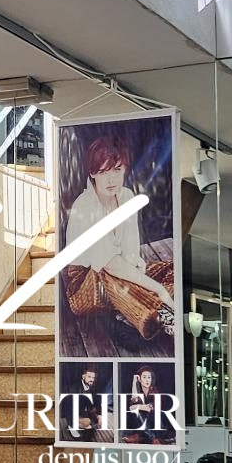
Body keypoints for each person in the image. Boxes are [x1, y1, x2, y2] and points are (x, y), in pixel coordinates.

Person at [62, 132, 174, 354]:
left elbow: (130, 251)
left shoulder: (127, 197)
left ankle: (134, 316)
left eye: (116, 170)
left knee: (171, 268)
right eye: (103, 172)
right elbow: (110, 264)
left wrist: (137, 268)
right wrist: (159, 289)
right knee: (109, 273)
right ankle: (153, 312)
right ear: (92, 173)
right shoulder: (85, 206)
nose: (111, 179)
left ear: (124, 169)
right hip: (85, 281)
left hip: (119, 275)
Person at [61, 367, 110, 443]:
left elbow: (96, 402)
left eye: (93, 377)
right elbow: (69, 409)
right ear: (83, 376)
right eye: (89, 377)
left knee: (92, 425)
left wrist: (99, 415)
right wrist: (74, 422)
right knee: (88, 424)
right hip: (74, 414)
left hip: (84, 412)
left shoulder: (91, 387)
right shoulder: (74, 389)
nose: (92, 379)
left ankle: (83, 424)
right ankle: (72, 426)